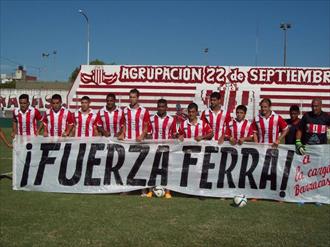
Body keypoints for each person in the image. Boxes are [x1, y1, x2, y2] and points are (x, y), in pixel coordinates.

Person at [118, 89, 151, 197]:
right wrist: (122, 134)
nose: (132, 99)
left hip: (139, 142)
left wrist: (142, 135)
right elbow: (123, 124)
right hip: (128, 142)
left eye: (134, 97)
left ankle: (143, 190)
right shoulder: (125, 110)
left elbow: (146, 126)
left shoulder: (144, 111)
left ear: (138, 97)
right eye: (130, 97)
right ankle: (127, 189)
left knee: (141, 166)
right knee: (127, 165)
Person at [146, 99, 177, 199]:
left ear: (166, 107)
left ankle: (168, 191)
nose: (161, 108)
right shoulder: (151, 119)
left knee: (167, 170)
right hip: (154, 148)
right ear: (157, 107)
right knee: (152, 170)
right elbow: (149, 134)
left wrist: (177, 137)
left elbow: (174, 134)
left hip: (167, 148)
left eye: (163, 106)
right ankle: (150, 190)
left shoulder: (171, 119)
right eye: (159, 106)